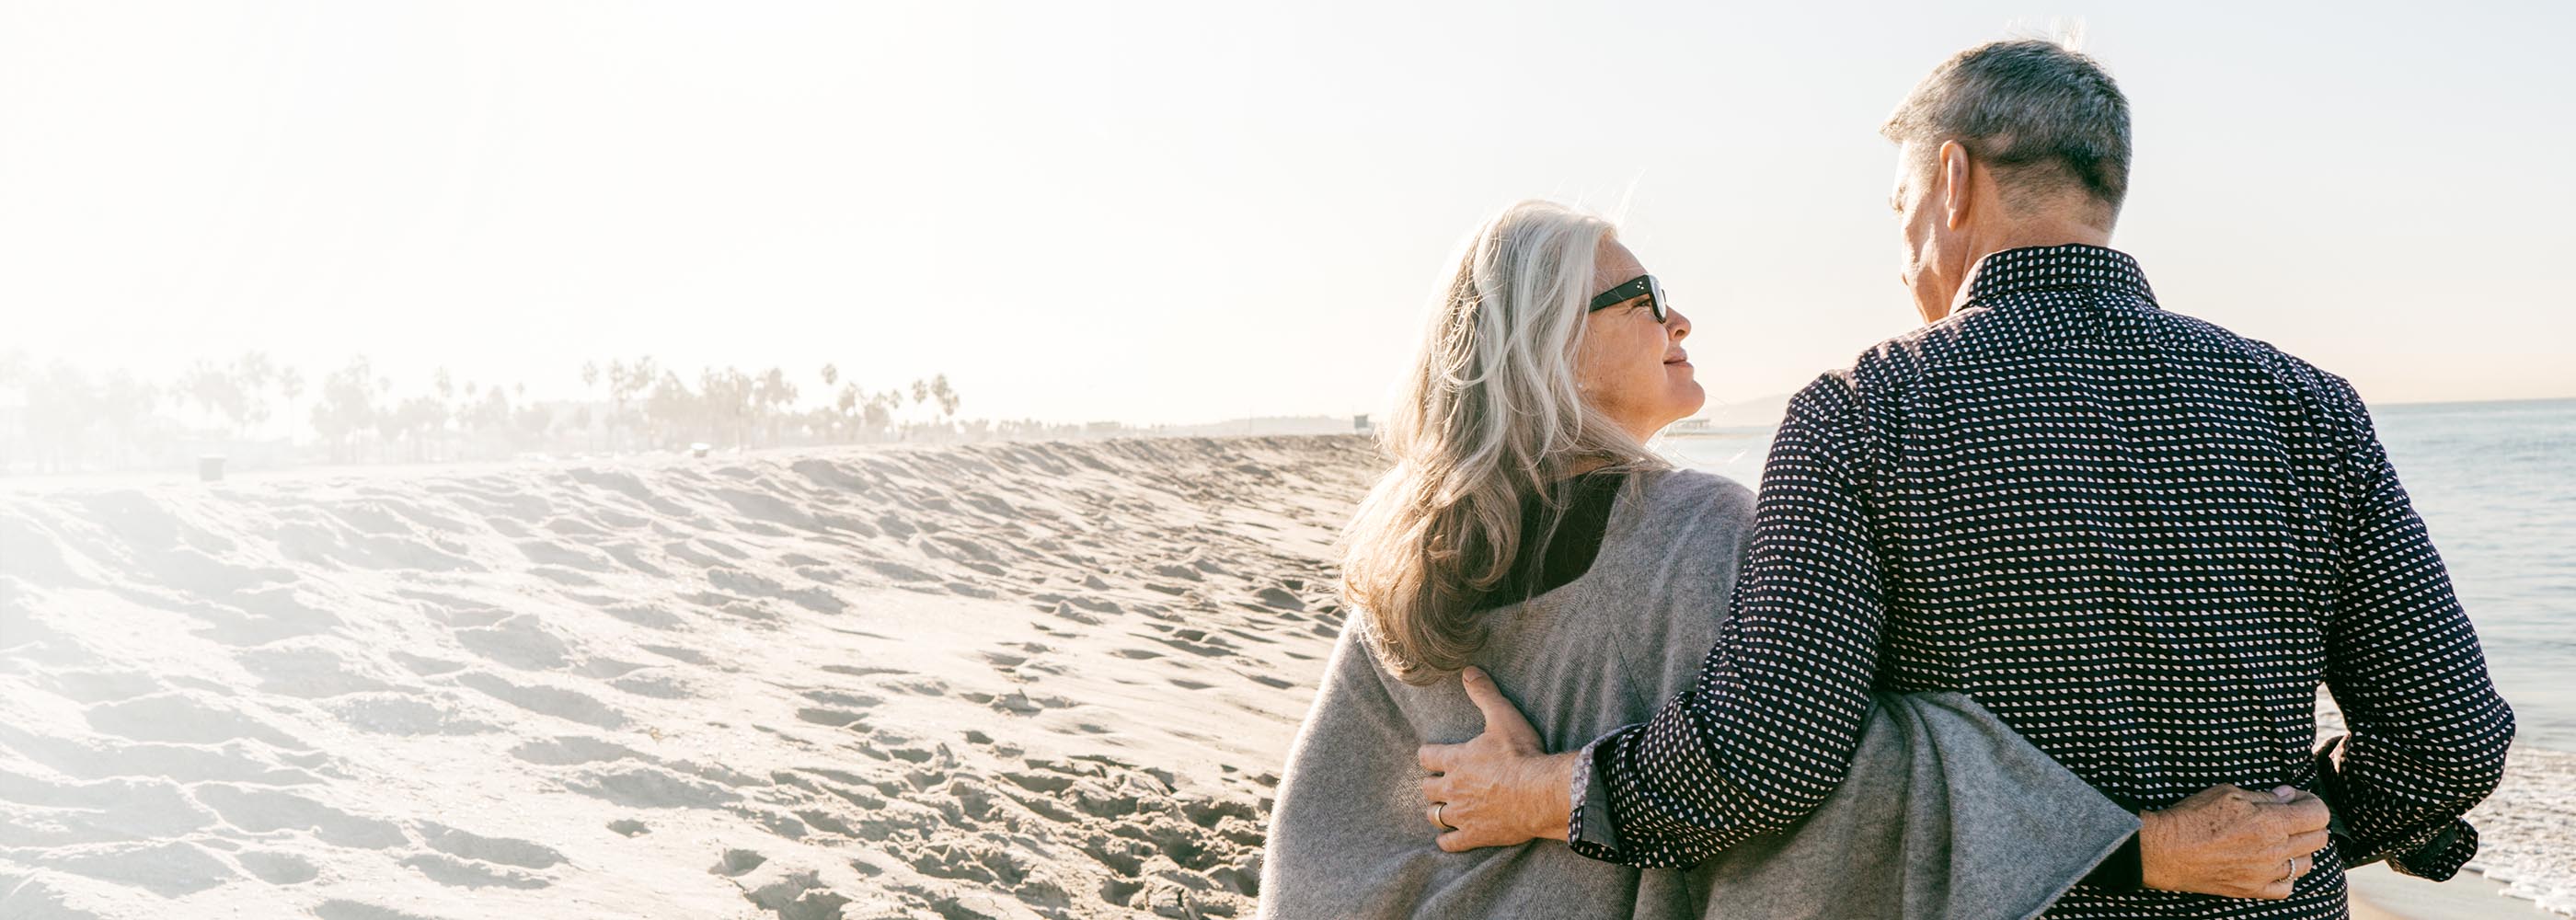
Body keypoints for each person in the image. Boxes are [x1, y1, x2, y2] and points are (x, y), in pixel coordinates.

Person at [1420, 39, 2514, 919]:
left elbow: (1769, 754)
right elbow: (2452, 736)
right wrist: (2301, 823)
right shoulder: (2307, 405)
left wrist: (1551, 794)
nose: (1901, 252)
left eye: (1899, 206)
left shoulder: (1863, 410)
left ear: (1949, 179)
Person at [1259, 201, 2329, 920]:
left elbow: (1322, 849)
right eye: (1639, 298)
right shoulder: (1696, 532)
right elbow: (1831, 777)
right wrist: (2142, 848)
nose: (1679, 316)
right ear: (1546, 342)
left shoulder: (1404, 561)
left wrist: (1531, 799)